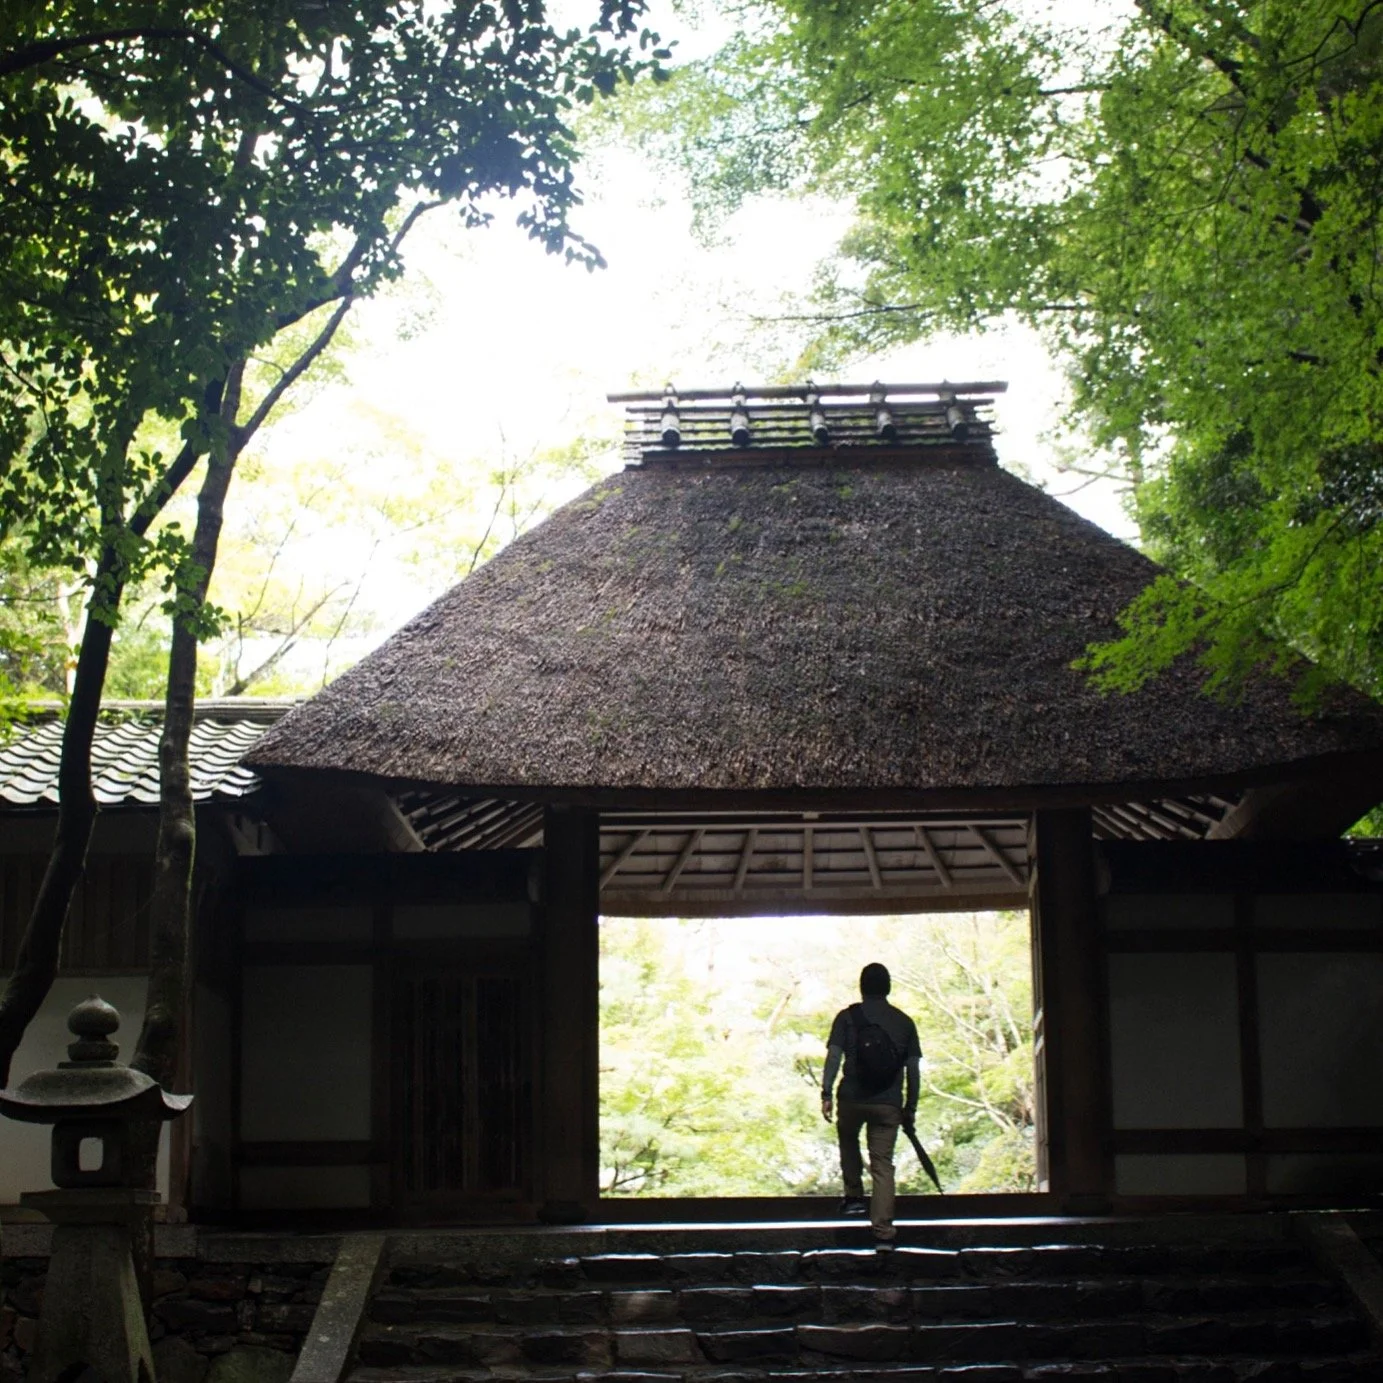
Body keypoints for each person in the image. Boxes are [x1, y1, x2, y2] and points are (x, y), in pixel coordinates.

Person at [821, 961, 921, 1248]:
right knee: (882, 1164)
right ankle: (883, 1234)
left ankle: (854, 1195)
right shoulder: (904, 1022)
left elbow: (833, 1057)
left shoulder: (846, 1018)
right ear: (888, 987)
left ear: (862, 987)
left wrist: (826, 1093)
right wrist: (910, 1108)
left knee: (848, 1136)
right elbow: (913, 1071)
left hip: (852, 1098)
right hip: (888, 1104)